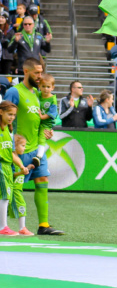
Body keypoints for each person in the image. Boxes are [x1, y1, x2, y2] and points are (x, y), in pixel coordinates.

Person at [4, 59, 62, 235]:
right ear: (25, 71)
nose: (40, 76)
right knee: (12, 187)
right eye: (36, 72)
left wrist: (48, 131)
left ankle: (43, 225)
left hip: (36, 148)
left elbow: (41, 119)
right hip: (18, 149)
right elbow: (4, 115)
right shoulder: (14, 92)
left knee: (42, 180)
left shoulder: (38, 94)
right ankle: (6, 225)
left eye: (41, 72)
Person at [0, 100, 15, 235]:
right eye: (9, 114)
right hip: (1, 165)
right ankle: (3, 227)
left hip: (7, 167)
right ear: (1, 112)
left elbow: (11, 152)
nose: (12, 117)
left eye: (14, 115)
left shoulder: (9, 130)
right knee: (4, 196)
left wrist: (21, 165)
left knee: (5, 196)